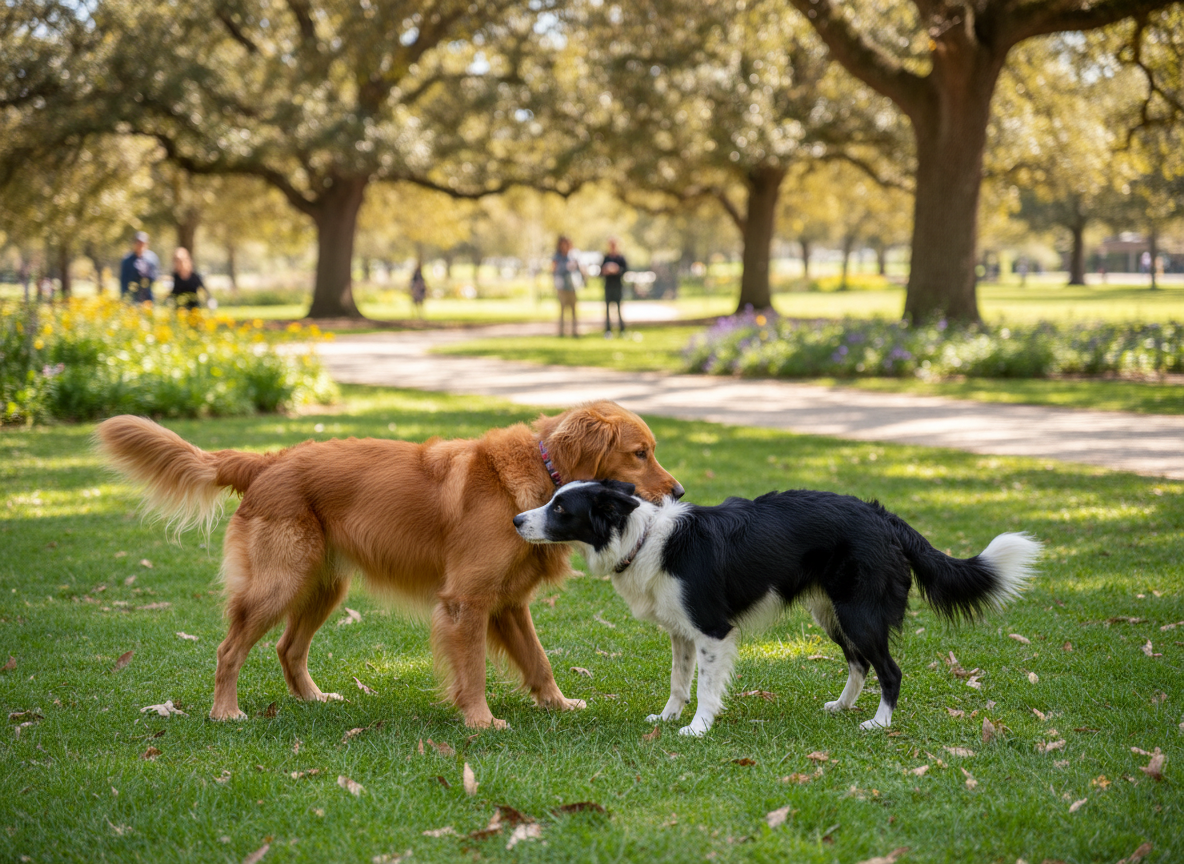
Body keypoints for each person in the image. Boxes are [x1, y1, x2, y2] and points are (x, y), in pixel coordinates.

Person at [551, 235, 583, 337]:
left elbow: (579, 269)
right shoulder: (557, 257)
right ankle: (561, 331)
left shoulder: (573, 256)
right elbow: (554, 270)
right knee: (562, 309)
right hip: (562, 285)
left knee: (574, 309)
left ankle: (575, 331)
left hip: (572, 285)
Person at [119, 231, 160, 304]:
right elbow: (123, 281)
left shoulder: (152, 258)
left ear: (147, 244)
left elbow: (156, 277)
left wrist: (147, 277)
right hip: (132, 298)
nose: (140, 245)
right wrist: (125, 299)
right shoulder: (127, 260)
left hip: (148, 298)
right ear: (134, 243)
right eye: (138, 243)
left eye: (142, 243)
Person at [600, 237, 628, 336]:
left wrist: (616, 270)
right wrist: (606, 270)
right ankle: (608, 330)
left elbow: (625, 270)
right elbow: (600, 273)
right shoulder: (606, 258)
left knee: (619, 309)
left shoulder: (620, 258)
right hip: (608, 286)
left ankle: (622, 330)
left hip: (618, 286)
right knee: (607, 309)